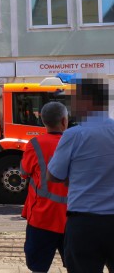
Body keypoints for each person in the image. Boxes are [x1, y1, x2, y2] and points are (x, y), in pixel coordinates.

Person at [48, 77, 114, 272]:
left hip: (84, 223)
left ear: (88, 101)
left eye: (74, 99)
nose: (71, 105)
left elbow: (53, 175)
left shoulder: (74, 135)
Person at [20, 101, 69, 273]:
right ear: (64, 121)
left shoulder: (34, 144)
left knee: (38, 268)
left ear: (43, 121)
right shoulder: (76, 143)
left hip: (41, 218)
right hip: (72, 219)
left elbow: (24, 172)